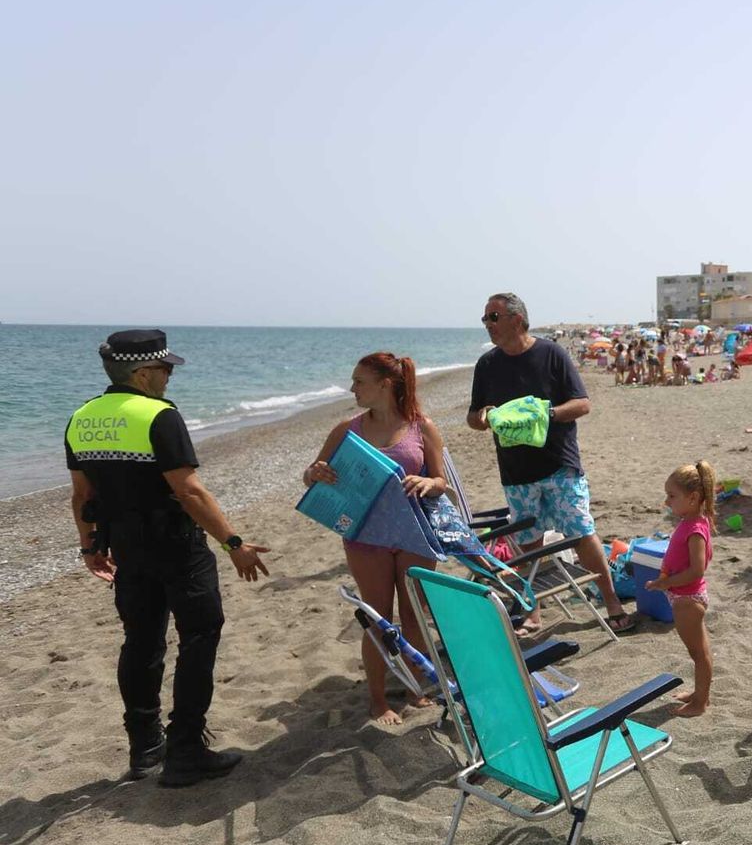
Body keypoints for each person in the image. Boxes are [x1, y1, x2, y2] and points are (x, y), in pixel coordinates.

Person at [65, 330, 269, 787]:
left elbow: (82, 495)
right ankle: (185, 750)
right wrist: (234, 544)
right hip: (177, 545)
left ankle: (144, 749)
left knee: (141, 643)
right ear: (141, 373)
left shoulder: (81, 418)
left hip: (125, 549)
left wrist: (89, 546)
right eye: (165, 368)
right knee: (199, 634)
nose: (170, 376)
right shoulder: (159, 416)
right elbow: (188, 490)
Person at [468, 293, 636, 634]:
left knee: (582, 533)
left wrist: (545, 414)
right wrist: (484, 417)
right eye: (485, 318)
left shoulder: (551, 354)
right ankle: (533, 611)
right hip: (516, 473)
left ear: (517, 319)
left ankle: (611, 601)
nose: (487, 324)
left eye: (493, 317)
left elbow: (583, 404)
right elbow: (473, 416)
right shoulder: (487, 365)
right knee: (529, 542)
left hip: (560, 465)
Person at [304, 352, 446, 725]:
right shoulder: (346, 429)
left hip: (414, 533)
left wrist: (428, 482)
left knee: (415, 615)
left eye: (359, 382)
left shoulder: (422, 427)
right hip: (366, 537)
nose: (352, 388)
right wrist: (315, 472)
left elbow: (440, 481)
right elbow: (311, 477)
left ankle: (415, 687)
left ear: (385, 384)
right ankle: (378, 699)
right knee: (378, 617)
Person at [645, 461, 717, 717]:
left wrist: (665, 583)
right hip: (685, 596)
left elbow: (697, 570)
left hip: (688, 599)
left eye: (672, 496)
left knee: (699, 653)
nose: (667, 502)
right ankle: (699, 695)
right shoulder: (691, 520)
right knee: (699, 651)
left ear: (693, 497)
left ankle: (700, 703)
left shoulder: (696, 528)